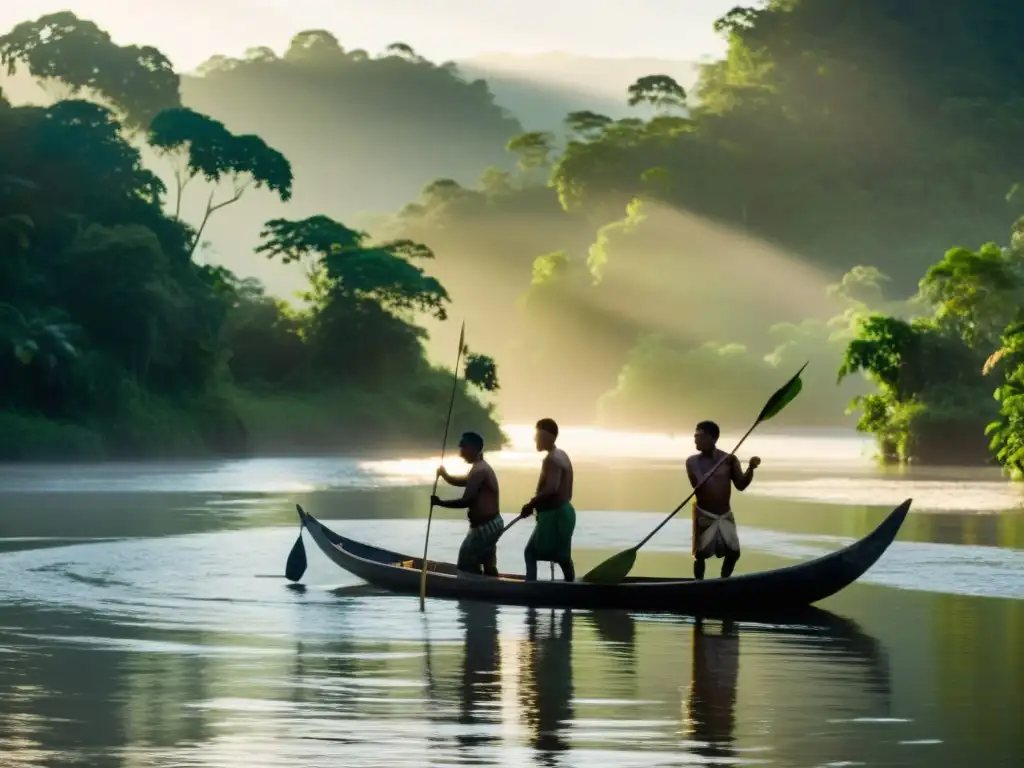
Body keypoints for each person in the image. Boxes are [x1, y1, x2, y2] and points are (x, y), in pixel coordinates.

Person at [685, 420, 760, 580]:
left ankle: (724, 581)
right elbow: (698, 482)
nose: (695, 440)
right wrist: (715, 469)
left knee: (734, 553)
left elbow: (741, 485)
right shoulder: (692, 461)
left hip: (725, 514)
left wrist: (750, 469)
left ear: (712, 438)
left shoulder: (729, 460)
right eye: (695, 436)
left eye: (699, 436)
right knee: (700, 555)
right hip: (704, 514)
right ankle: (698, 584)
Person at [431, 431, 503, 576]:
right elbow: (464, 482)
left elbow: (466, 501)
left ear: (473, 448)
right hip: (489, 524)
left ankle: (473, 589)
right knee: (487, 562)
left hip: (486, 527)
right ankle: (492, 587)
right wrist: (446, 476)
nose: (460, 453)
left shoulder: (480, 470)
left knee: (465, 563)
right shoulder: (479, 468)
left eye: (463, 448)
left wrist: (440, 503)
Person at [519, 418, 576, 581]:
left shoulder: (551, 459)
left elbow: (552, 488)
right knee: (562, 557)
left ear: (546, 437)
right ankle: (570, 590)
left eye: (537, 436)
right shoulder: (561, 454)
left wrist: (531, 504)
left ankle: (531, 592)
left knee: (530, 553)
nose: (534, 439)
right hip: (564, 513)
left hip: (555, 516)